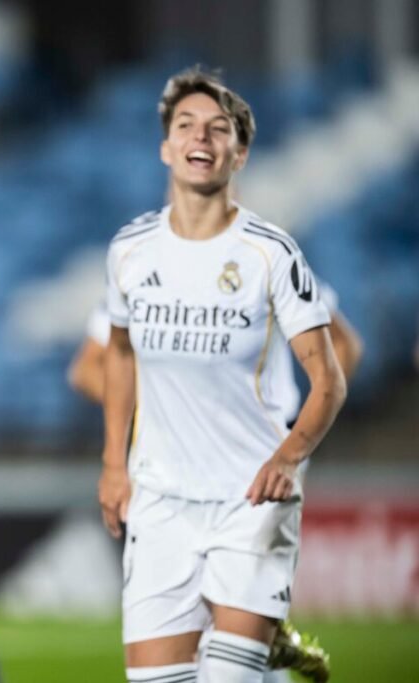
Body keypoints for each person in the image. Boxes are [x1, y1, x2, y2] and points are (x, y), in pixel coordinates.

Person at [98, 67, 347, 683]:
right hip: (159, 504)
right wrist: (112, 463)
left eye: (218, 128)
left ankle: (258, 653)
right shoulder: (129, 251)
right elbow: (120, 353)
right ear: (166, 147)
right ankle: (275, 661)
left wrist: (288, 458)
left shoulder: (270, 253)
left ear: (240, 154)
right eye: (186, 125)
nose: (200, 136)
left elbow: (330, 380)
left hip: (250, 501)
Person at [70, 290, 359, 683]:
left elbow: (343, 347)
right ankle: (269, 639)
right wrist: (162, 405)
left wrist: (301, 437)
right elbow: (88, 368)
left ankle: (266, 635)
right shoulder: (145, 269)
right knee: (222, 629)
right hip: (173, 461)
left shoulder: (270, 262)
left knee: (230, 622)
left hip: (261, 457)